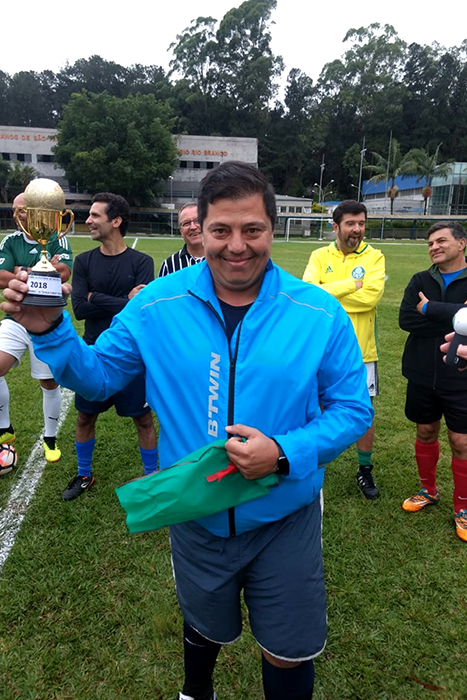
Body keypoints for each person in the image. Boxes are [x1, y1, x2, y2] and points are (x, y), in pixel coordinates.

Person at [3, 162, 373, 699]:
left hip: (284, 514)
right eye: (222, 230)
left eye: (252, 229)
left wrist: (284, 452)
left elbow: (352, 409)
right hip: (196, 513)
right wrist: (52, 330)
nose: (237, 246)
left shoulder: (318, 312)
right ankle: (196, 691)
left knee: (286, 650)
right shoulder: (157, 303)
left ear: (273, 229)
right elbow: (99, 376)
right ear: (202, 228)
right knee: (204, 621)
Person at [61, 192, 158, 501]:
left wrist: (96, 297)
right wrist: (122, 301)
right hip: (93, 354)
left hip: (131, 356)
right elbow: (79, 308)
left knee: (143, 419)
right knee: (85, 417)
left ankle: (152, 478)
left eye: (95, 215)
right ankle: (84, 474)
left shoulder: (142, 262)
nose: (88, 220)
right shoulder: (84, 261)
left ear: (115, 221)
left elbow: (141, 311)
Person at [302, 200, 385, 499]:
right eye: (351, 223)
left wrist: (331, 290)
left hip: (361, 351)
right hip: (323, 349)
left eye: (361, 223)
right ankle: (316, 463)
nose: (357, 229)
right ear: (335, 226)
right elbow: (309, 293)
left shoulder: (375, 256)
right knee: (318, 407)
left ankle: (365, 469)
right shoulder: (319, 255)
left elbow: (370, 298)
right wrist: (353, 284)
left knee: (364, 410)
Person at [399, 220, 467, 542]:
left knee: (461, 441)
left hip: (461, 378)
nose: (434, 247)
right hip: (422, 374)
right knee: (425, 431)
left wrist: (430, 308)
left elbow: (422, 315)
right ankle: (428, 490)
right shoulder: (420, 279)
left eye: (441, 241)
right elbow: (406, 319)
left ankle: (463, 507)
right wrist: (457, 317)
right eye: (430, 243)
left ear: (461, 243)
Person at [0, 192, 73, 470]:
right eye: (15, 210)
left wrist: (21, 270)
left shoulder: (56, 237)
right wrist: (39, 271)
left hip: (46, 320)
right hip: (16, 318)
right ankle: (4, 428)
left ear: (35, 210)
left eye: (23, 209)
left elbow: (62, 272)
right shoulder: (10, 241)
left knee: (49, 383)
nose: (18, 214)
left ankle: (50, 438)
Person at [158, 202, 205, 277]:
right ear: (181, 231)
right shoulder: (169, 265)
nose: (193, 227)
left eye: (198, 221)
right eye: (187, 223)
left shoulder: (222, 260)